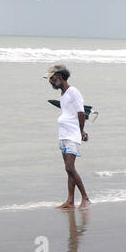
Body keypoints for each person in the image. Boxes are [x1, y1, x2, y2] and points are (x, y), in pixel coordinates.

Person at [47, 64, 90, 209]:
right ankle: (70, 201)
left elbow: (81, 112)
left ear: (59, 77)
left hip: (72, 135)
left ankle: (85, 198)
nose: (50, 82)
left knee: (70, 167)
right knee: (68, 169)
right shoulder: (64, 94)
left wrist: (82, 131)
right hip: (64, 135)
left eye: (52, 79)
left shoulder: (73, 92)